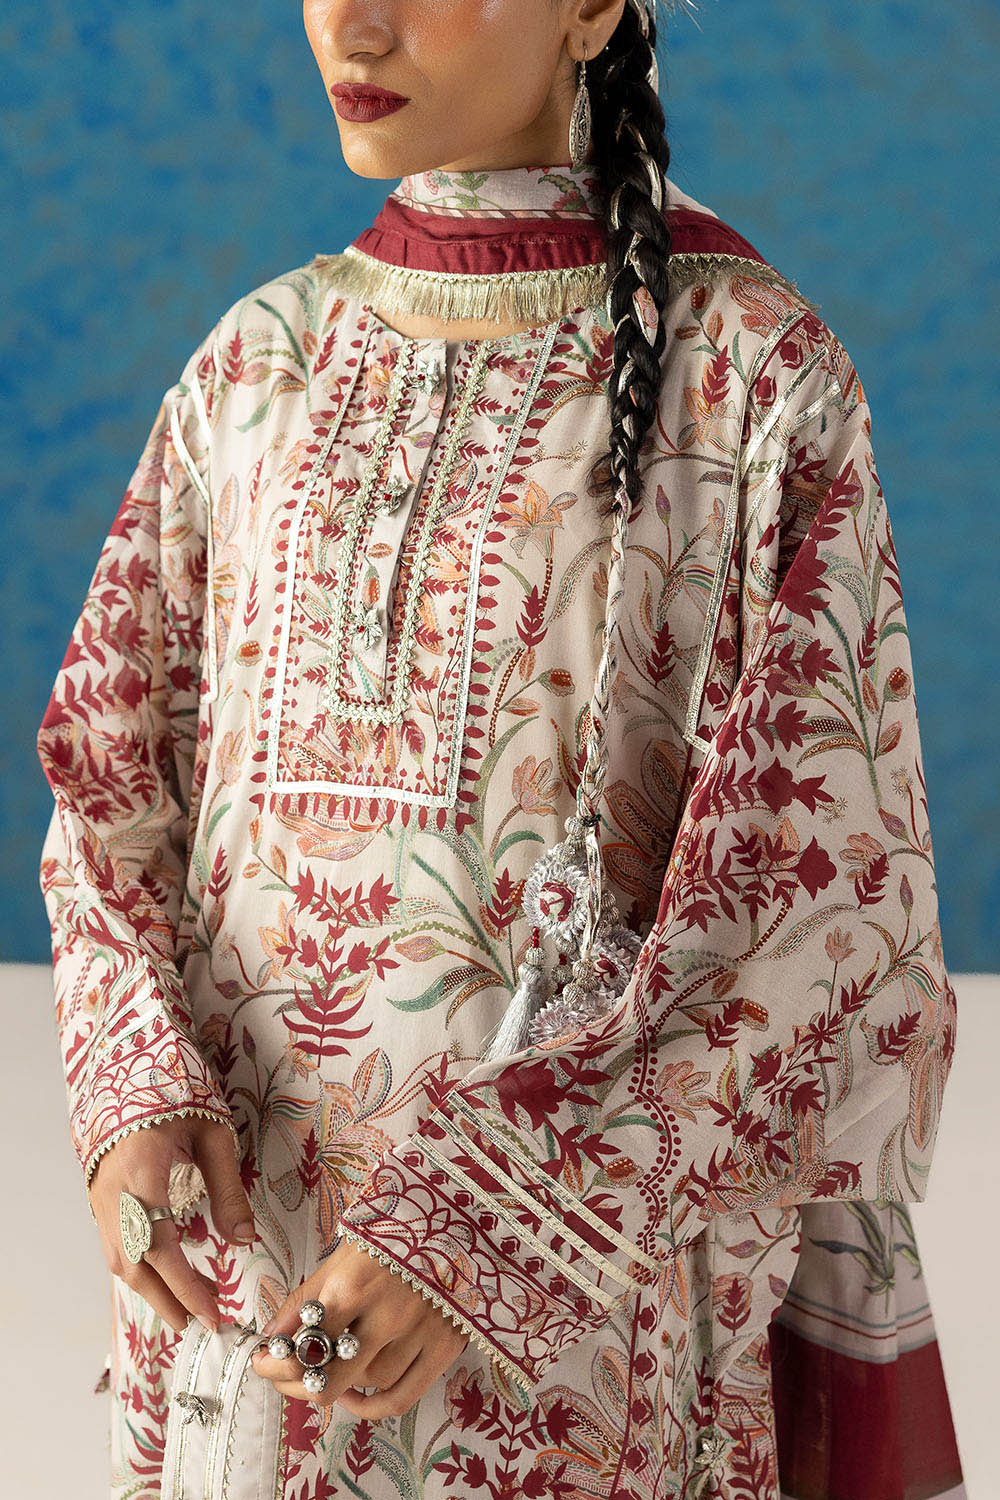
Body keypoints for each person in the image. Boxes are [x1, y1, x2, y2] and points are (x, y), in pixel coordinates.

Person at [36, 1, 966, 1496]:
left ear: (592, 6)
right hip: (243, 1316)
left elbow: (820, 914)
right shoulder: (256, 366)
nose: (353, 22)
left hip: (570, 1343)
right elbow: (107, 784)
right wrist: (133, 1088)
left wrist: (486, 1224)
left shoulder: (749, 379)